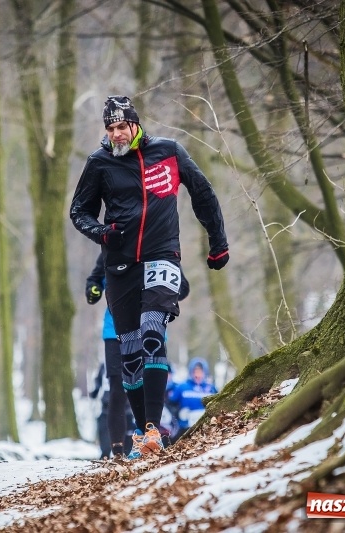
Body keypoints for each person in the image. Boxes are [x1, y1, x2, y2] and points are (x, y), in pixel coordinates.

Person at [70, 95, 228, 460]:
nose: (116, 135)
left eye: (121, 127)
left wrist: (217, 243)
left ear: (136, 125)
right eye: (110, 129)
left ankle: (154, 428)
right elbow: (79, 211)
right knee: (129, 353)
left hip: (162, 255)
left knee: (153, 331)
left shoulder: (169, 152)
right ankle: (143, 432)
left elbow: (203, 194)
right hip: (120, 264)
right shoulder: (100, 162)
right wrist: (102, 233)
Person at [86, 251, 189, 458]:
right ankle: (116, 452)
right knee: (117, 385)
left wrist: (163, 292)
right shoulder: (110, 249)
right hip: (114, 328)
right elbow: (94, 280)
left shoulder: (156, 246)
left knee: (148, 381)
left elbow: (183, 286)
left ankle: (149, 435)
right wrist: (93, 290)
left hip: (151, 324)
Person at [167, 358, 218, 442]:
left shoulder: (211, 389)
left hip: (206, 426)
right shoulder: (182, 387)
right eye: (195, 372)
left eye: (200, 372)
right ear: (191, 372)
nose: (197, 375)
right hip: (185, 428)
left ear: (204, 372)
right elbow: (171, 404)